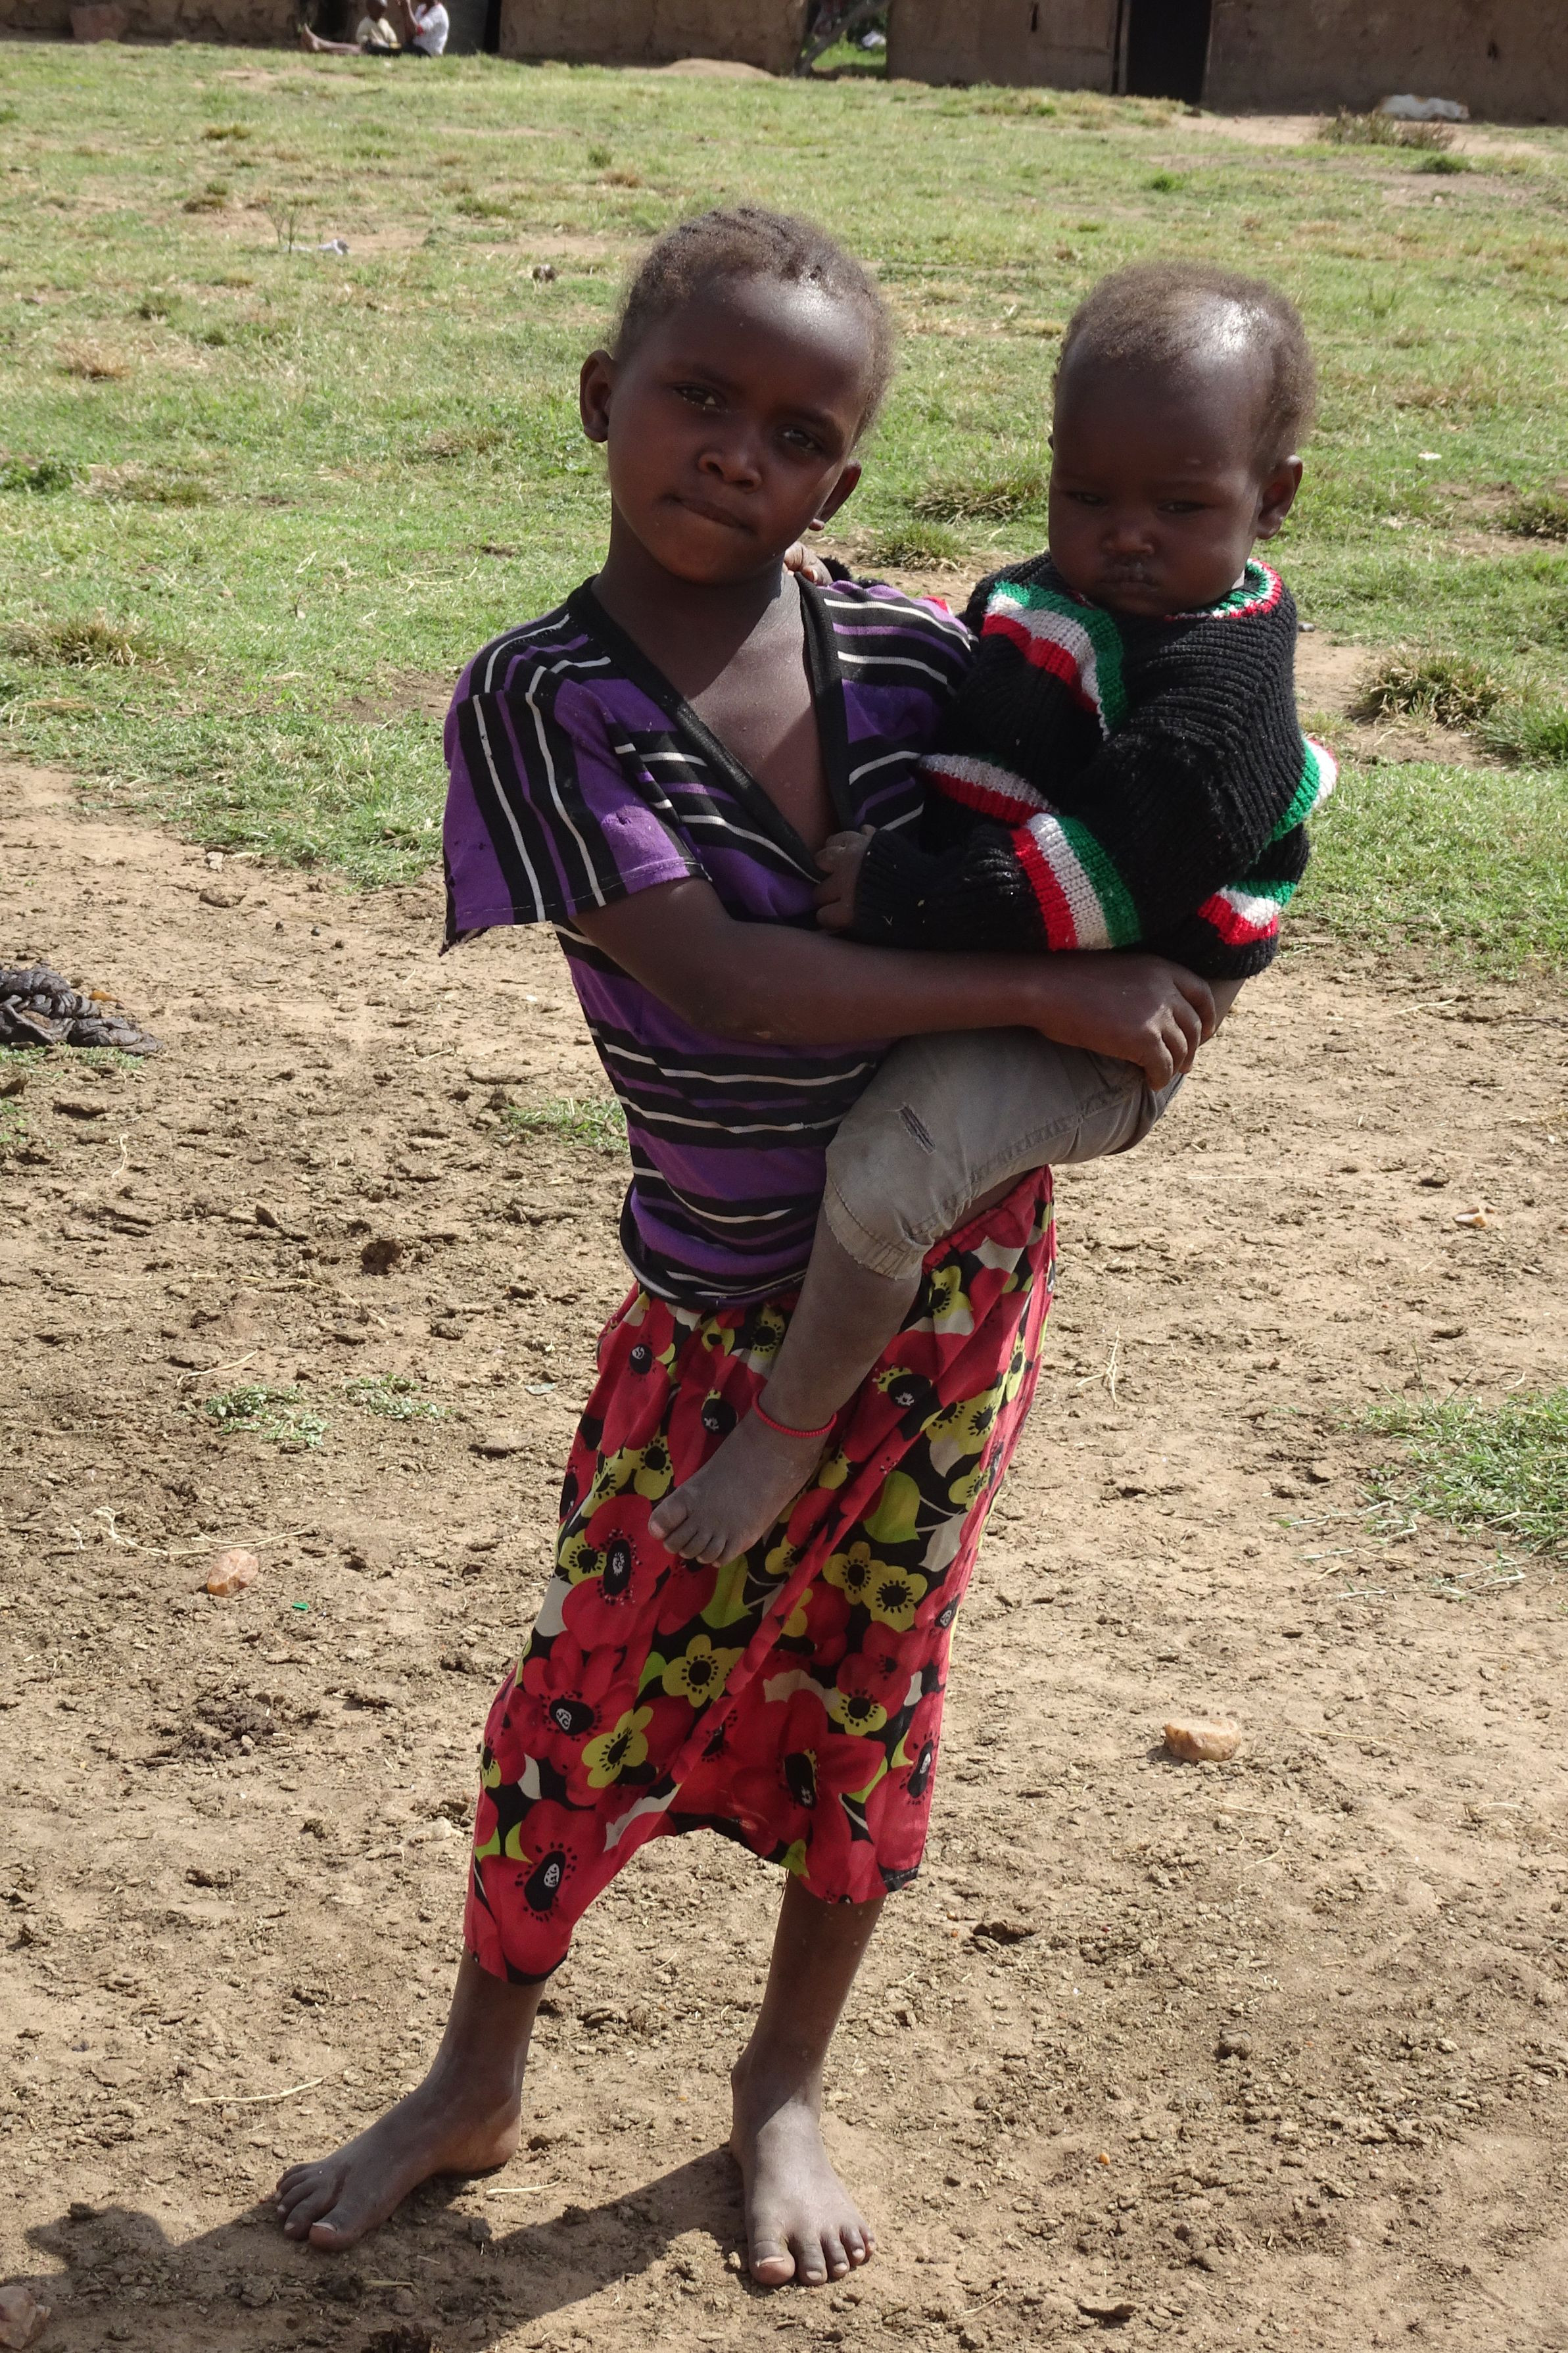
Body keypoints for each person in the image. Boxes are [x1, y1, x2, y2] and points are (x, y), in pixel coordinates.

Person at [273, 208, 1218, 2287]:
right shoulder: (541, 701)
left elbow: (1126, 831)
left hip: (954, 1305)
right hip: (714, 1311)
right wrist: (1050, 994)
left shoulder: (918, 659)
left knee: (876, 1684)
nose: (737, 450)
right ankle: (475, 2075)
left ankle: (781, 2082)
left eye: (797, 433)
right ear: (601, 402)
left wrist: (1169, 928)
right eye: (699, 396)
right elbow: (726, 983)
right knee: (583, 1693)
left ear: (840, 481)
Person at [651, 261, 1335, 1569]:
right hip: (1039, 955)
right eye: (1085, 497)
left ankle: (784, 1432)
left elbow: (1104, 881)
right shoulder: (1068, 595)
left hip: (1123, 1010)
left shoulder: (1220, 694)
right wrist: (815, 592)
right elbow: (976, 677)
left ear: (1275, 497)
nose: (1124, 535)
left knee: (885, 1168)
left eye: (1179, 506)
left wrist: (904, 896)